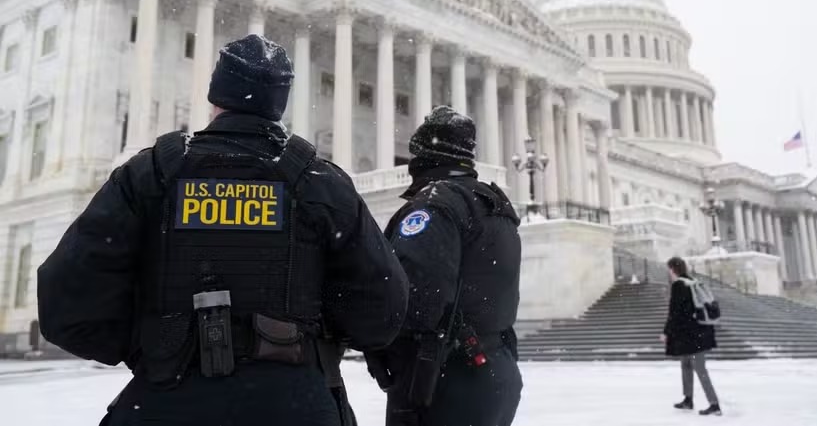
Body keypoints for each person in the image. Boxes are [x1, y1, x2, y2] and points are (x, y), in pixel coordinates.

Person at [37, 34, 409, 426]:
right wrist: (311, 338)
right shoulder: (321, 182)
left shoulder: (149, 175)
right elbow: (383, 309)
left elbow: (67, 302)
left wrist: (155, 345)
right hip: (295, 403)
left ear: (216, 100)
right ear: (278, 107)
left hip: (166, 401)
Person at [366, 106, 523, 426]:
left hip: (442, 377)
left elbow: (414, 298)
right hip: (493, 368)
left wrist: (377, 343)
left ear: (423, 155)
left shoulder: (435, 204)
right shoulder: (494, 206)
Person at [661, 256, 722, 416]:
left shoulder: (679, 285)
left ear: (672, 269)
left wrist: (666, 332)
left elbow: (674, 313)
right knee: (686, 365)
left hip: (693, 335)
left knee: (700, 369)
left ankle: (714, 404)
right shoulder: (692, 281)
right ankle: (688, 399)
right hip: (696, 333)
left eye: (668, 269)